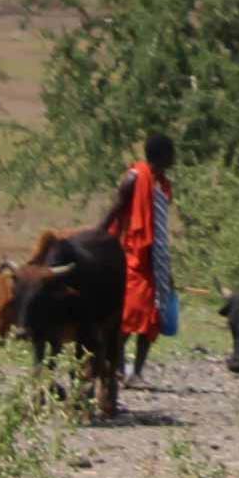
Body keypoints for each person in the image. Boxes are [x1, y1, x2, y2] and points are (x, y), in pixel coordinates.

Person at [93, 131, 178, 358]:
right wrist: (96, 237)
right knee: (130, 314)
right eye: (172, 154)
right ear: (162, 155)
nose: (175, 159)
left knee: (153, 315)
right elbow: (115, 209)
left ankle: (138, 371)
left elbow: (159, 225)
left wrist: (165, 267)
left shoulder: (162, 184)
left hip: (154, 258)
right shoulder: (134, 178)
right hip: (131, 256)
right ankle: (116, 365)